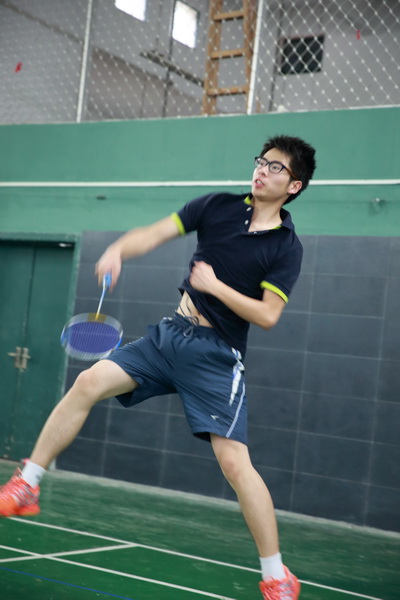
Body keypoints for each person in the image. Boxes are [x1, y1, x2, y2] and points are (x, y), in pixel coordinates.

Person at [0, 134, 316, 600]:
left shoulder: (287, 247)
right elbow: (154, 233)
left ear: (294, 186)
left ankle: (276, 575)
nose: (262, 171)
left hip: (216, 355)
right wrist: (118, 250)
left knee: (235, 463)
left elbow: (268, 315)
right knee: (89, 381)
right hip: (170, 336)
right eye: (261, 162)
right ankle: (28, 484)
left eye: (276, 167)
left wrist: (215, 285)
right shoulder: (217, 206)